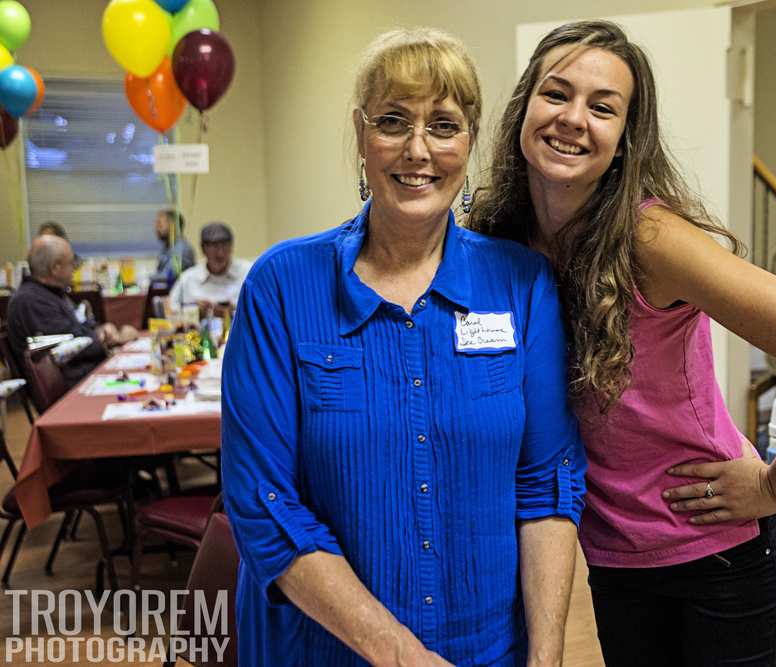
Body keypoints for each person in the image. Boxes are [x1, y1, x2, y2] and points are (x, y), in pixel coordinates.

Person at [469, 20, 776, 667]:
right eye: (556, 94)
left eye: (602, 107)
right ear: (524, 106)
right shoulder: (502, 238)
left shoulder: (652, 239)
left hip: (720, 558)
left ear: (624, 139)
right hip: (614, 556)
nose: (573, 118)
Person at [221, 28, 586, 667]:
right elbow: (263, 503)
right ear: (361, 136)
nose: (418, 151)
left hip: (489, 653)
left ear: (469, 142)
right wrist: (402, 657)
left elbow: (548, 484)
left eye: (444, 126)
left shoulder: (521, 284)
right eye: (394, 121)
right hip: (324, 653)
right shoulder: (281, 287)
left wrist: (547, 655)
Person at [6, 235, 137, 386]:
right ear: (55, 268)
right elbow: (68, 349)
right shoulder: (31, 301)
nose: (75, 267)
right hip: (68, 386)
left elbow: (81, 328)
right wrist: (113, 340)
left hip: (82, 374)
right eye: (71, 262)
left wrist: (103, 330)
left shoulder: (52, 293)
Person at [168, 222, 250, 317]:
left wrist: (234, 312)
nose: (220, 253)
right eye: (214, 247)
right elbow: (170, 308)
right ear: (203, 249)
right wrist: (195, 311)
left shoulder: (248, 273)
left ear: (231, 247)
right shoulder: (188, 278)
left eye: (225, 246)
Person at [152, 209, 195, 285]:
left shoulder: (181, 249)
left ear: (173, 226)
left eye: (160, 225)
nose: (156, 229)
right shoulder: (167, 247)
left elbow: (168, 275)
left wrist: (145, 279)